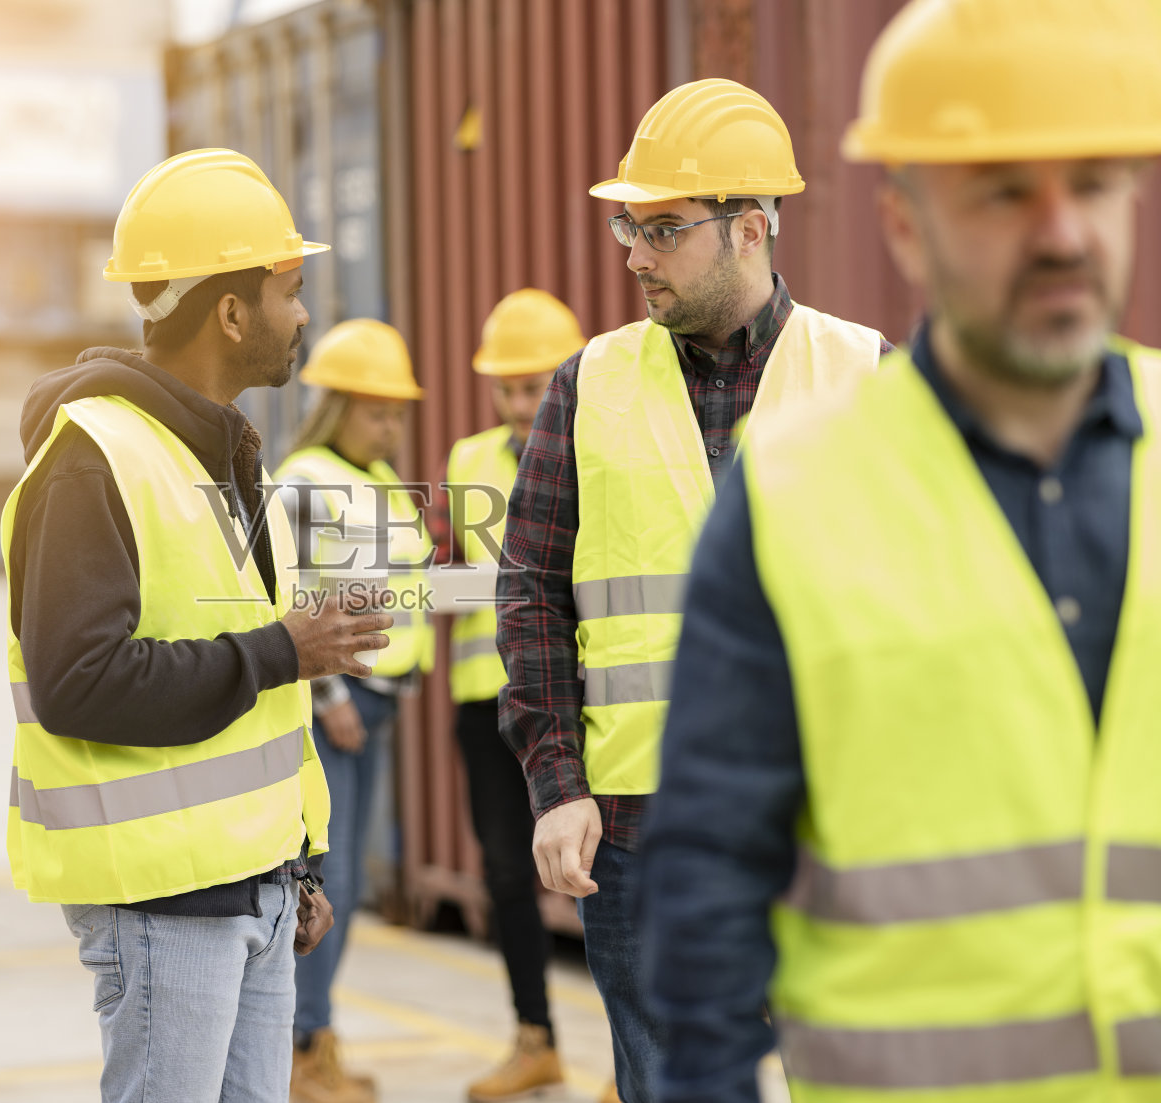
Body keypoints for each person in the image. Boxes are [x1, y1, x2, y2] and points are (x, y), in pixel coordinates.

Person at [640, 1, 1161, 1100]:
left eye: (1097, 184)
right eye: (1005, 192)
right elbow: (709, 889)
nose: (1063, 231)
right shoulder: (793, 497)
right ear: (904, 225)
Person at [496, 79, 890, 1103]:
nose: (632, 251)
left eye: (662, 227)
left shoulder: (866, 377)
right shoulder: (588, 383)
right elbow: (531, 589)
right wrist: (557, 780)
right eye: (629, 223)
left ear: (749, 228)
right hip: (638, 831)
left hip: (832, 820)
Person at [1, 148, 395, 1103]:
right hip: (161, 900)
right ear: (230, 311)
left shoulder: (222, 452)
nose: (303, 314)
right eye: (289, 289)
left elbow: (253, 701)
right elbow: (79, 684)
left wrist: (294, 865)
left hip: (251, 889)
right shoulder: (91, 461)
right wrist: (283, 650)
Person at [425, 288, 585, 1101]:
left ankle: (634, 1059)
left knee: (599, 867)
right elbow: (448, 572)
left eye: (534, 385)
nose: (522, 404)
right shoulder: (466, 459)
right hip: (482, 695)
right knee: (503, 873)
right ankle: (536, 1039)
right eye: (509, 389)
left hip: (566, 692)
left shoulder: (598, 443)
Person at [275, 318, 435, 1103]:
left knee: (352, 886)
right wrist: (328, 694)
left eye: (398, 414)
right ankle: (305, 1050)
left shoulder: (378, 483)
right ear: (338, 407)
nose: (391, 426)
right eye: (377, 411)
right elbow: (295, 596)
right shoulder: (306, 477)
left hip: (380, 704)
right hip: (340, 707)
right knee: (325, 881)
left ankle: (321, 1039)